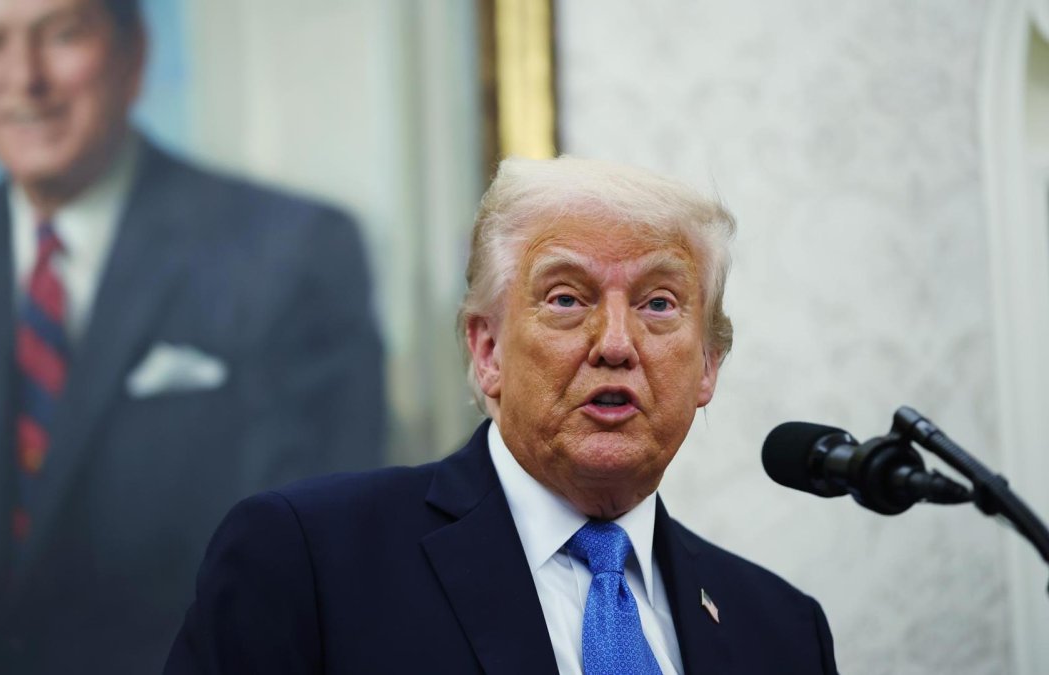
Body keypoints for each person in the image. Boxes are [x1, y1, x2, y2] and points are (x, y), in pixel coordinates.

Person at [0, 0, 384, 672]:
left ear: (134, 54)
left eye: (62, 35)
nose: (24, 78)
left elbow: (308, 575)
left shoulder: (292, 252)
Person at [165, 156, 839, 674]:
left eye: (658, 303)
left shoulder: (782, 631)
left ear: (708, 366)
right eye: (567, 298)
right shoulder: (308, 559)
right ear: (487, 350)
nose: (615, 343)